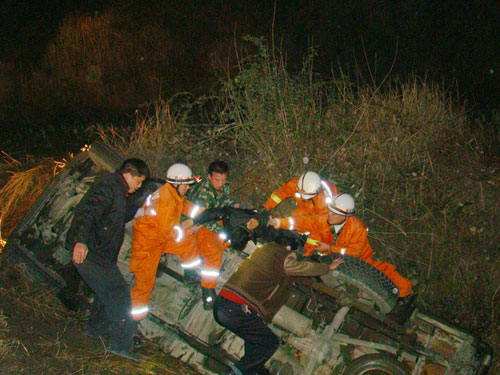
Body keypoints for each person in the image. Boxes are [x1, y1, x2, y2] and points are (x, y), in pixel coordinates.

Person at [213, 240, 344, 375]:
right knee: (270, 343)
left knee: (256, 357)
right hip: (236, 308)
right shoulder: (284, 256)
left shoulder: (267, 252)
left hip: (225, 305)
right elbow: (296, 267)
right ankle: (234, 373)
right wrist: (327, 268)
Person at [66, 158, 150, 361]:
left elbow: (117, 215)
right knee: (119, 292)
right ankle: (122, 345)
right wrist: (81, 241)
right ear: (129, 175)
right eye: (138, 182)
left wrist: (142, 211)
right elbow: (88, 213)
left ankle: (95, 331)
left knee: (106, 292)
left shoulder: (117, 190)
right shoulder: (108, 187)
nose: (139, 187)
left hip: (99, 253)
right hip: (88, 251)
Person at [271, 193, 412, 297]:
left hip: (361, 264)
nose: (330, 215)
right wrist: (278, 223)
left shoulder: (357, 228)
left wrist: (330, 248)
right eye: (331, 211)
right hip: (332, 263)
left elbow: (354, 253)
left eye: (335, 214)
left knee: (395, 282)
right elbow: (301, 222)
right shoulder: (325, 218)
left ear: (346, 216)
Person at [129, 163, 201, 321]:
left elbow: (184, 206)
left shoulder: (172, 193)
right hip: (147, 246)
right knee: (143, 287)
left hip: (160, 239)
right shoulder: (166, 202)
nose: (188, 188)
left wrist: (204, 214)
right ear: (176, 183)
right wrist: (189, 229)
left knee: (188, 243)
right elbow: (170, 234)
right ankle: (131, 325)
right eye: (186, 185)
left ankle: (191, 275)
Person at [186, 160, 239, 309]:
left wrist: (234, 205)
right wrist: (222, 229)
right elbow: (204, 218)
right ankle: (208, 293)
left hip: (213, 219)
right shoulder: (204, 192)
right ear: (209, 177)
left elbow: (224, 199)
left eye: (223, 180)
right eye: (217, 180)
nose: (221, 183)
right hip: (198, 224)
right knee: (214, 254)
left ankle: (200, 270)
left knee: (227, 240)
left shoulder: (221, 187)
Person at [262, 171, 339, 217]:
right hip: (306, 208)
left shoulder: (322, 202)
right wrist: (266, 207)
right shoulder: (297, 184)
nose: (301, 196)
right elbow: (281, 193)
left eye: (305, 195)